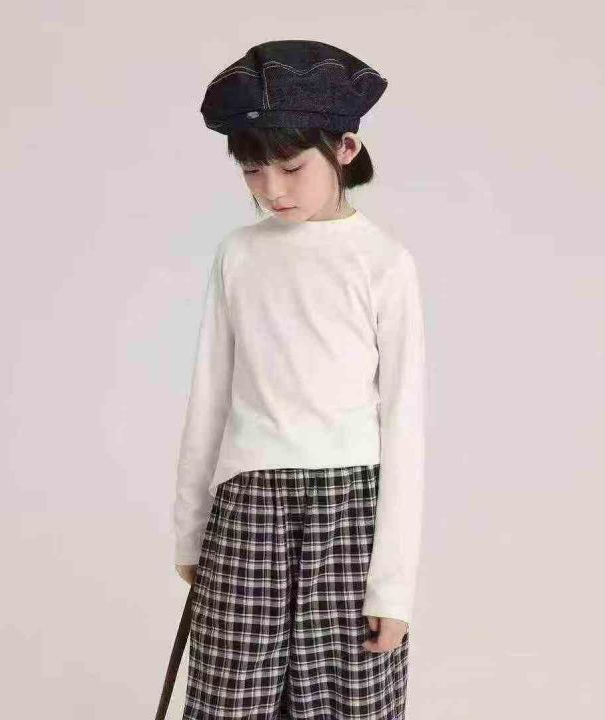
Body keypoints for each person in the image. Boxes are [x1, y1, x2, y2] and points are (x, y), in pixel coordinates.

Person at [172, 39, 427, 719]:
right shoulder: (239, 255)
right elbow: (210, 395)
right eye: (253, 171)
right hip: (247, 507)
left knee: (349, 702)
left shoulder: (384, 263)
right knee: (230, 701)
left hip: (352, 513)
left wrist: (393, 588)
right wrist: (190, 529)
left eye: (290, 167)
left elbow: (404, 422)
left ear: (345, 148)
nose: (272, 190)